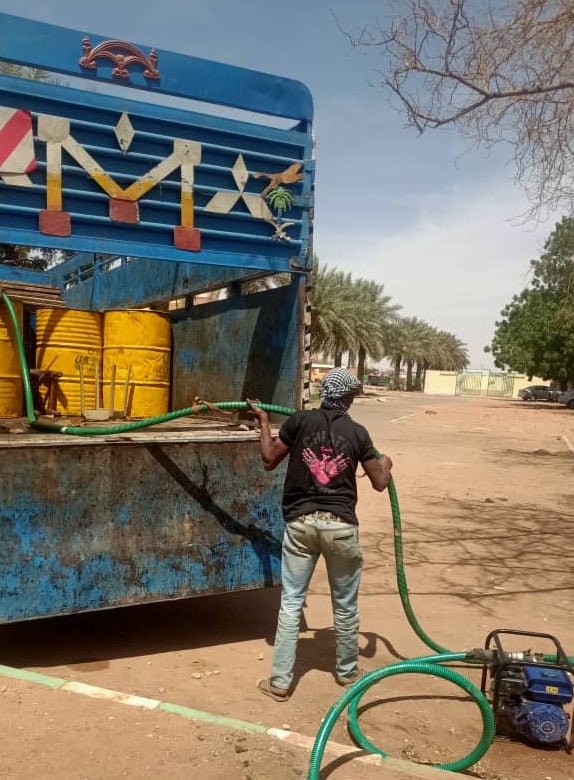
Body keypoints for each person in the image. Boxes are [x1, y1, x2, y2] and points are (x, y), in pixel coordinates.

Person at [247, 368, 393, 702]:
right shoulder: (358, 433)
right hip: (340, 528)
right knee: (344, 605)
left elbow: (269, 457)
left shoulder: (299, 422)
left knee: (291, 603)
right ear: (348, 398)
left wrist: (264, 421)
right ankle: (346, 674)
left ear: (325, 394)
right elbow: (380, 482)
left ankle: (280, 683)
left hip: (300, 525)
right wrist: (386, 462)